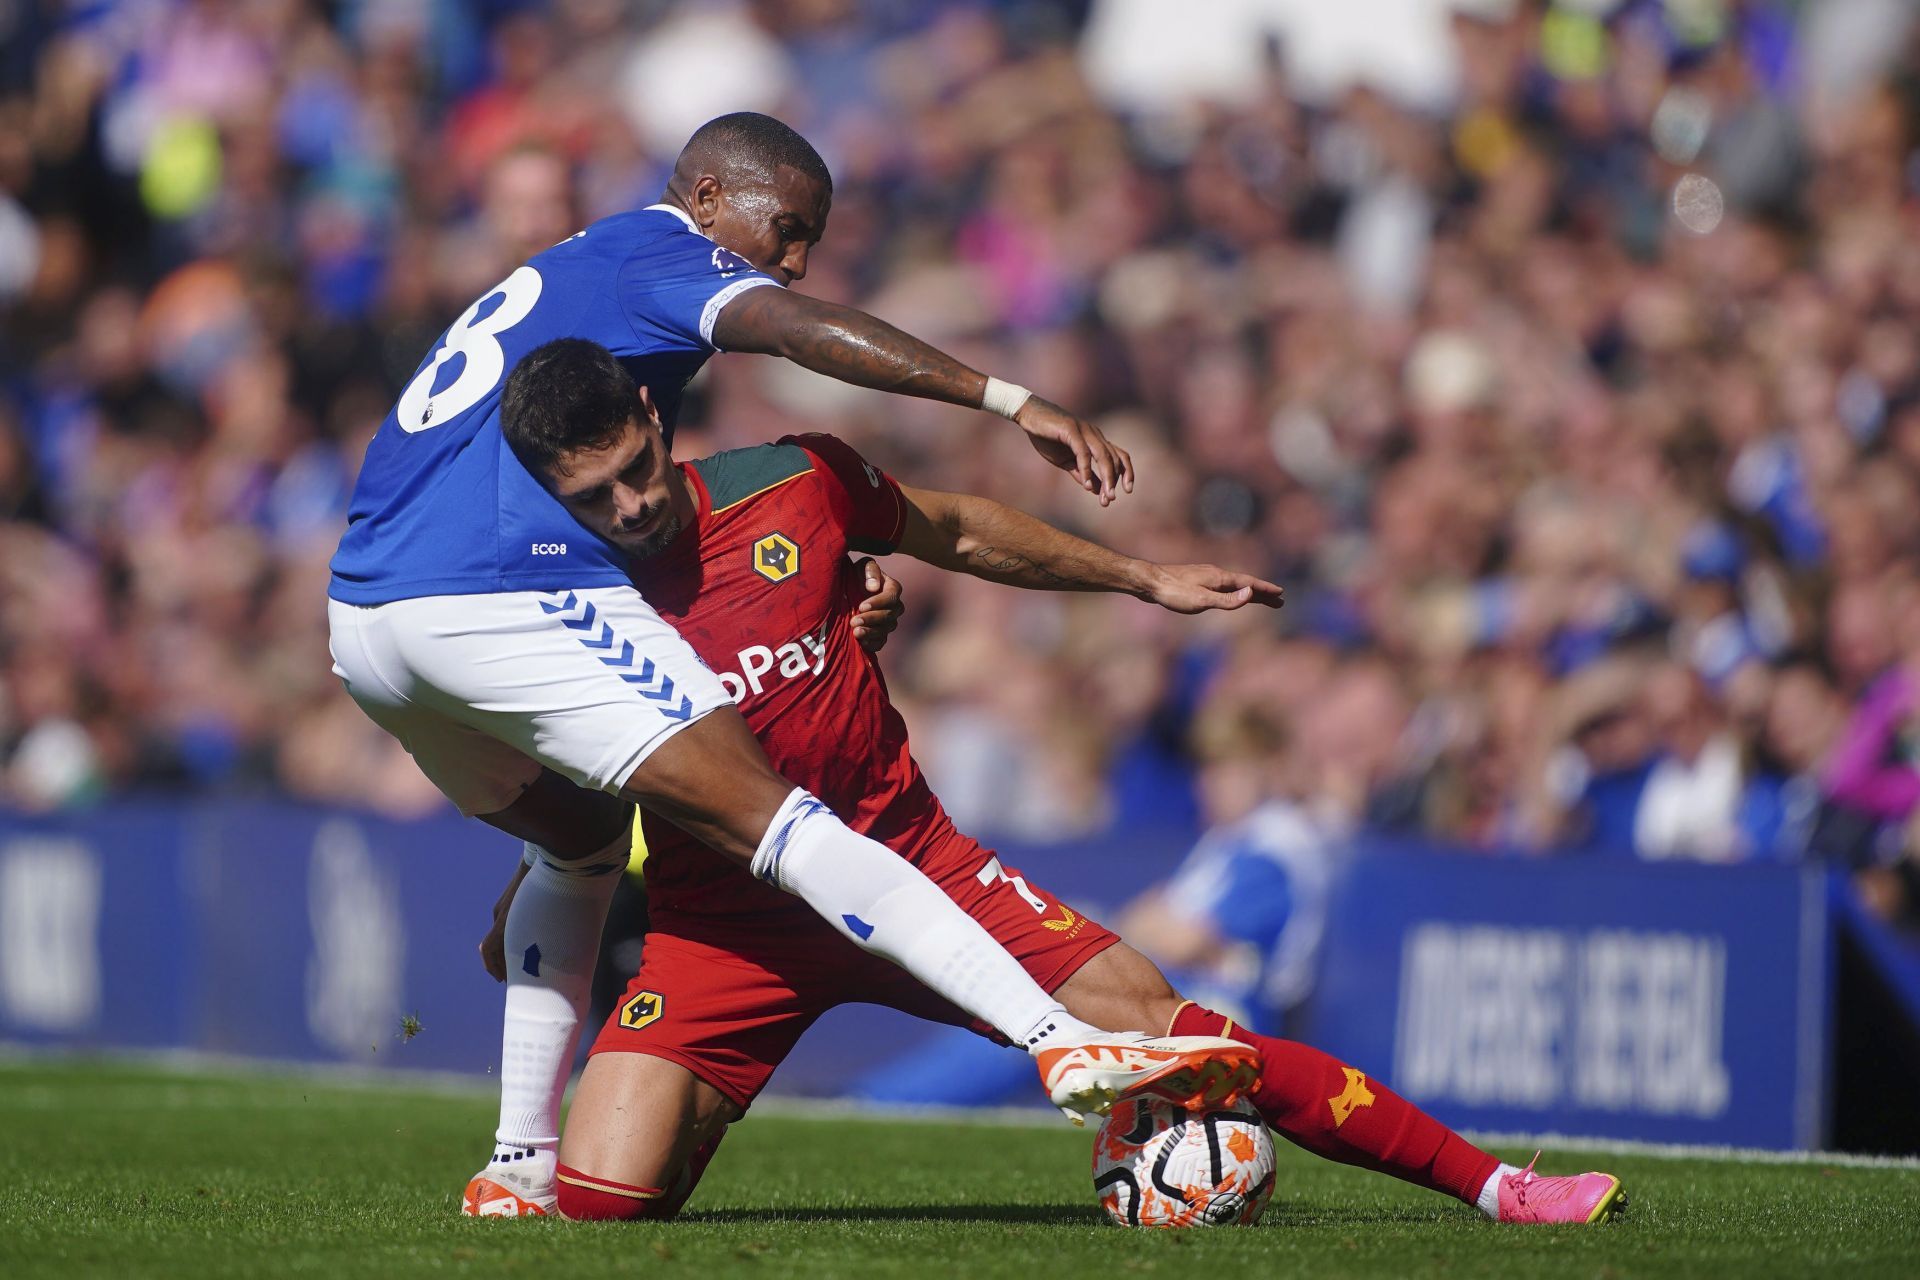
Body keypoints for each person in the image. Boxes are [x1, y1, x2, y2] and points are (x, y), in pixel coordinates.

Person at [470, 339, 1626, 1227]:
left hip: (920, 866)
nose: (627, 507)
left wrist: (1141, 578)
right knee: (603, 1206)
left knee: (1189, 1037)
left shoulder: (794, 487)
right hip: (724, 928)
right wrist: (537, 895)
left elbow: (957, 529)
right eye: (592, 499)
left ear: (650, 415)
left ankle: (1499, 1186)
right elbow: (575, 784)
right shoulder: (559, 610)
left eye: (633, 471)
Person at [325, 114, 1244, 1212]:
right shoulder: (663, 257)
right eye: (788, 229)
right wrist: (1009, 398)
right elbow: (800, 330)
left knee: (576, 843)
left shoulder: (571, 273)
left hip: (363, 614)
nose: (795, 258)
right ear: (710, 196)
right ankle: (1057, 1039)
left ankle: (518, 1162)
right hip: (482, 588)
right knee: (780, 816)